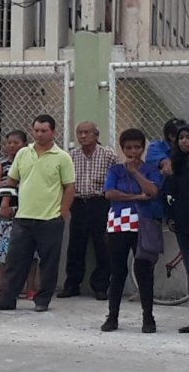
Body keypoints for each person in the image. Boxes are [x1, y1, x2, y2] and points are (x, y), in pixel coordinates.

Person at [0, 114, 75, 313]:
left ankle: (42, 300)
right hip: (23, 218)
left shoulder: (62, 157)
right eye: (36, 130)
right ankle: (6, 299)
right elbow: (12, 181)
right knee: (15, 261)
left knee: (48, 263)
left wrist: (63, 212)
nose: (40, 134)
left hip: (50, 218)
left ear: (53, 132)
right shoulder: (23, 154)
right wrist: (5, 203)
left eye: (44, 131)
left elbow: (69, 187)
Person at [101, 128, 162, 333]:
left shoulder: (150, 168)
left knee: (144, 271)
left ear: (143, 148)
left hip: (143, 224)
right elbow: (110, 193)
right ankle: (112, 316)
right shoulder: (116, 170)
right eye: (128, 147)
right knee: (117, 271)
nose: (133, 151)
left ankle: (148, 317)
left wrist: (135, 172)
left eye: (137, 147)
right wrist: (136, 197)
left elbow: (153, 191)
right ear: (123, 148)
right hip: (118, 224)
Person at [59, 121, 116, 300]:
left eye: (87, 132)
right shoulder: (71, 156)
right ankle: (72, 284)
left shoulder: (108, 155)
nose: (83, 136)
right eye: (80, 133)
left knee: (102, 245)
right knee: (76, 245)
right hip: (78, 203)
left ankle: (100, 286)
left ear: (96, 135)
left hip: (100, 203)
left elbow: (116, 178)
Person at [0, 130, 38, 297]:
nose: (11, 146)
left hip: (26, 211)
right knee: (2, 249)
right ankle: (2, 284)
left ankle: (30, 287)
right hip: (1, 215)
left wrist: (9, 183)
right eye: (8, 142)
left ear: (25, 144)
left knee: (30, 251)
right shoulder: (0, 164)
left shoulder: (31, 162)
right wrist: (12, 183)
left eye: (16, 143)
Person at [164, 125, 189, 334]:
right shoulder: (177, 165)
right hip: (183, 223)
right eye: (181, 138)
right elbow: (169, 193)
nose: (184, 141)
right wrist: (170, 216)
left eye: (188, 138)